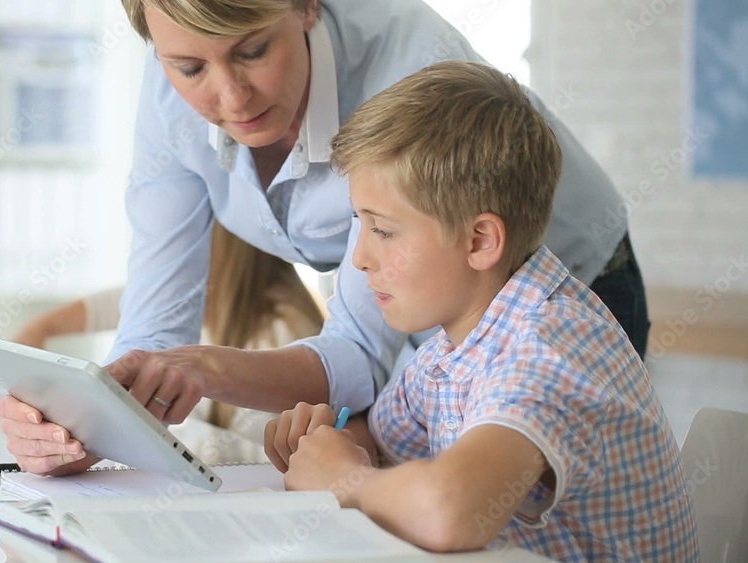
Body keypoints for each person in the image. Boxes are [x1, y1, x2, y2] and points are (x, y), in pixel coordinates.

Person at [0, 0, 650, 476]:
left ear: (308, 5)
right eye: (189, 67)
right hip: (426, 312)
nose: (230, 97)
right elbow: (153, 329)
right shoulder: (171, 78)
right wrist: (86, 423)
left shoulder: (412, 74)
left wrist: (205, 370)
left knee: (514, 518)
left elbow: (362, 357)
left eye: (253, 51)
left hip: (559, 288)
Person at [263, 61, 697, 560]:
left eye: (382, 230)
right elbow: (379, 441)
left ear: (480, 241)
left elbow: (449, 512)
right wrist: (323, 438)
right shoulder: (449, 352)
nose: (360, 258)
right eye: (360, 225)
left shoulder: (551, 345)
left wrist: (347, 478)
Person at [0, 223, 325, 440]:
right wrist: (41, 328)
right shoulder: (208, 304)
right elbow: (133, 301)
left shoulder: (281, 331)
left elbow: (261, 456)